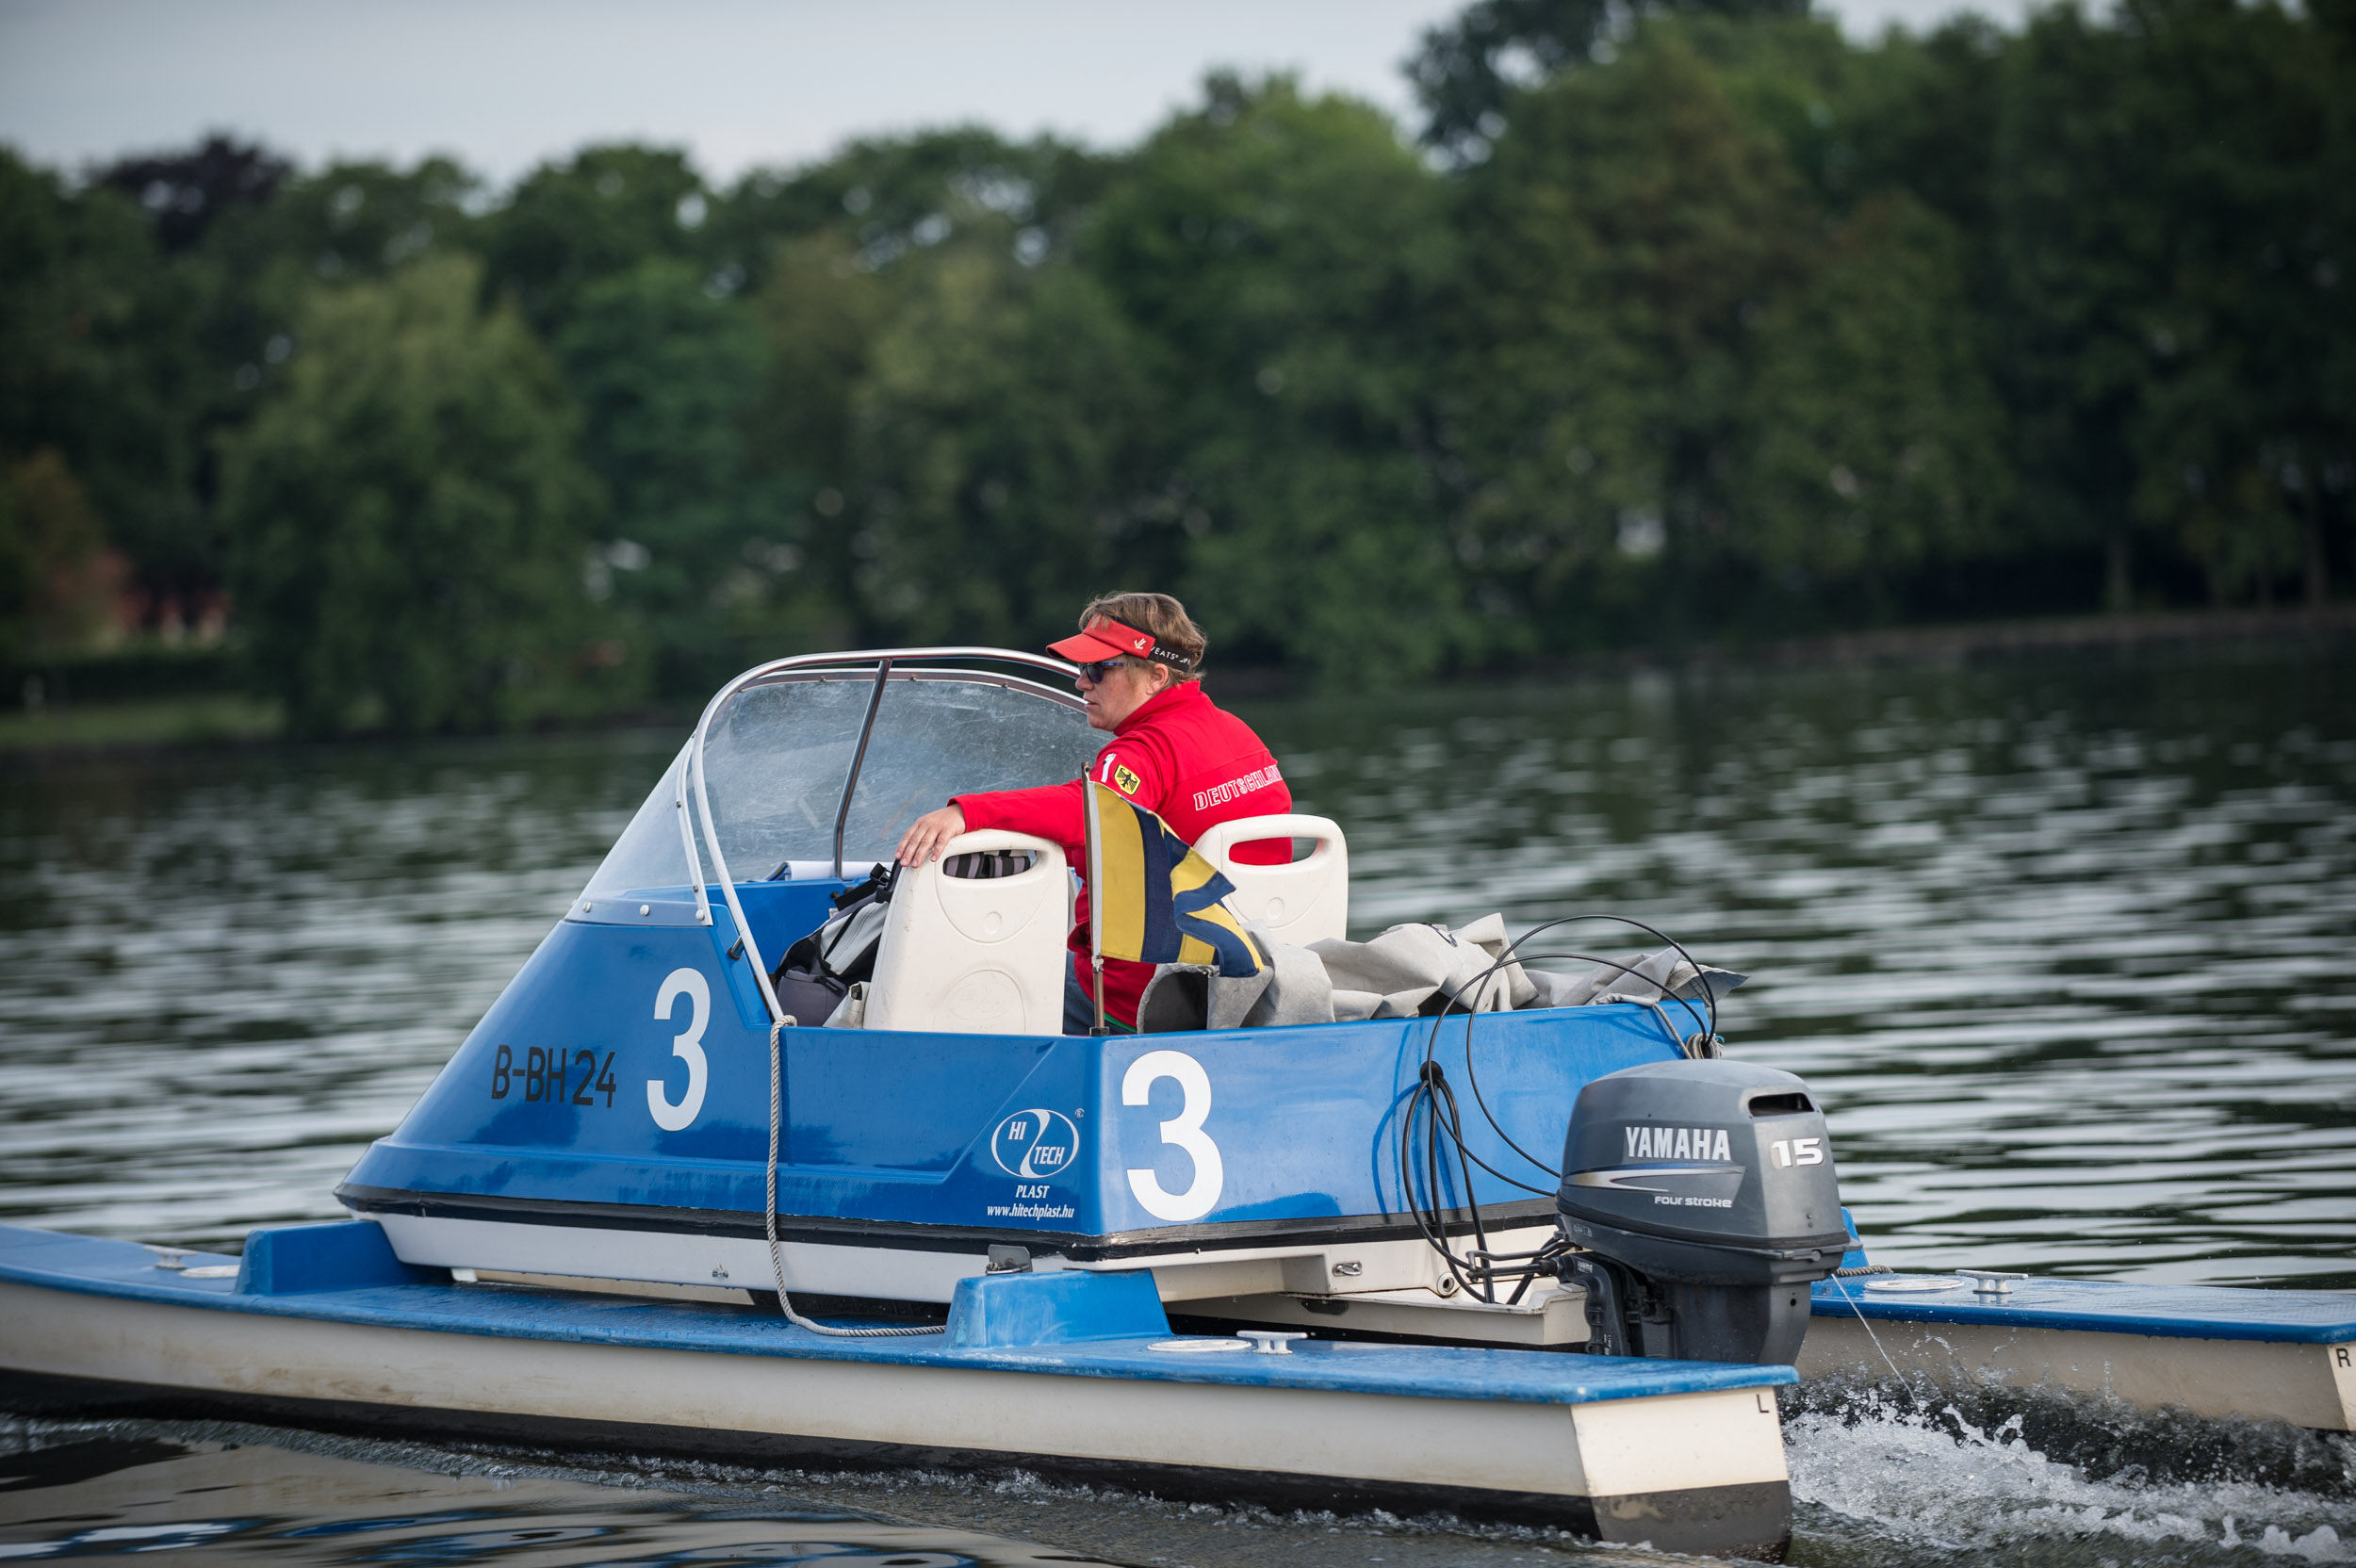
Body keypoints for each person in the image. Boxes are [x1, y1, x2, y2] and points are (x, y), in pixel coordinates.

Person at [894, 592, 1291, 1034]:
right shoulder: (1240, 736)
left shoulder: (1146, 750)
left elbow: (1084, 811)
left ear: (1155, 677)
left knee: (959, 986)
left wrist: (966, 813)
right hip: (1234, 980)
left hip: (1138, 994)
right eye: (1084, 669)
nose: (1082, 683)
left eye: (1098, 669)